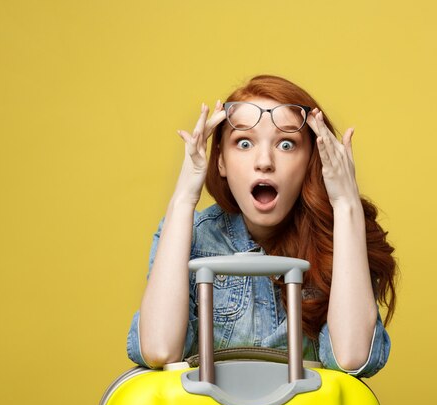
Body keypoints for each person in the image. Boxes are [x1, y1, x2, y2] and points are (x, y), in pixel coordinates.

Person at [127, 75, 397, 378]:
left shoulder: (339, 240)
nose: (265, 161)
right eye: (244, 143)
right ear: (221, 162)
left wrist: (346, 205)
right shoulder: (191, 236)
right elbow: (159, 349)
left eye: (286, 143)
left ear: (312, 160)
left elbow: (352, 357)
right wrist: (184, 196)